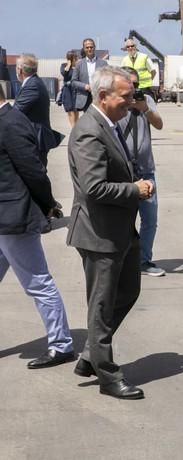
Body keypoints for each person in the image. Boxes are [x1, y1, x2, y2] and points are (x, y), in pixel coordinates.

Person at [67, 65, 154, 400]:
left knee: (129, 291)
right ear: (103, 96)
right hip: (99, 233)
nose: (132, 102)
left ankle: (91, 354)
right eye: (126, 96)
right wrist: (136, 190)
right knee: (101, 307)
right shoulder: (89, 131)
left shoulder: (111, 124)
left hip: (120, 230)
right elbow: (93, 189)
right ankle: (107, 374)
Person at [0, 84, 75, 370]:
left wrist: (48, 203)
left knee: (38, 283)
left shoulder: (12, 123)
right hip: (3, 220)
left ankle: (61, 345)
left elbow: (33, 170)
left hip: (14, 220)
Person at [117, 67, 165, 277]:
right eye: (130, 85)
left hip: (146, 170)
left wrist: (145, 108)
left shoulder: (145, 100)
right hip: (122, 172)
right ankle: (121, 260)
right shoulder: (117, 103)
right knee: (123, 220)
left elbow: (159, 124)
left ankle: (144, 261)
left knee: (150, 219)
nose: (134, 90)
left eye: (137, 85)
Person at [13, 53, 63, 167]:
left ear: (20, 70)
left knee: (36, 178)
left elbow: (15, 112)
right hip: (34, 138)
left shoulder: (32, 86)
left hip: (35, 140)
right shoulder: (33, 82)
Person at [72, 38, 107, 113]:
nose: (89, 49)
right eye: (87, 47)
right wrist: (85, 86)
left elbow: (108, 79)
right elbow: (73, 81)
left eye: (91, 47)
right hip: (85, 98)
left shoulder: (103, 63)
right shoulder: (79, 64)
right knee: (88, 121)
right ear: (84, 49)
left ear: (94, 47)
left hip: (99, 97)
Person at [60, 51, 79, 127]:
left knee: (76, 109)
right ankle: (73, 128)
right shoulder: (64, 65)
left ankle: (76, 126)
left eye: (75, 57)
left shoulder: (78, 66)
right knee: (69, 109)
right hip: (67, 90)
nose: (75, 59)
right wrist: (68, 65)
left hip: (75, 90)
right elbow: (64, 73)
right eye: (74, 58)